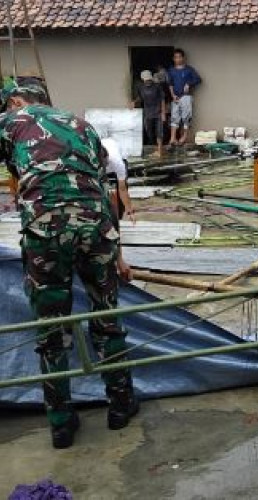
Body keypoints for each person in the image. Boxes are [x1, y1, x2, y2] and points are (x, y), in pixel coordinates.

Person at [0, 82, 139, 449]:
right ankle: (121, 406)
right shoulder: (83, 125)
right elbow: (104, 189)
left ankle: (61, 423)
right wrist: (119, 253)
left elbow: (13, 181)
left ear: (16, 102)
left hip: (46, 229)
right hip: (97, 225)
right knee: (107, 319)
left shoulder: (9, 121)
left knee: (52, 330)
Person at [101, 135, 136, 281]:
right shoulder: (88, 160)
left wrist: (130, 209)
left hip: (115, 157)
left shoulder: (117, 162)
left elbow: (122, 189)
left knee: (115, 208)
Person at [167, 48, 201, 148]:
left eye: (180, 57)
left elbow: (198, 79)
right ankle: (173, 138)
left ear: (183, 58)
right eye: (176, 57)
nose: (178, 59)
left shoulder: (189, 69)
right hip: (175, 97)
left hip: (185, 97)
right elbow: (170, 84)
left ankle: (184, 137)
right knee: (174, 117)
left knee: (186, 117)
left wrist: (188, 84)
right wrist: (172, 95)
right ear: (173, 59)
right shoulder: (171, 70)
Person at [133, 69, 166, 157]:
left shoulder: (157, 86)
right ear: (143, 79)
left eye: (149, 79)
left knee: (159, 130)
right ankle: (155, 148)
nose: (148, 81)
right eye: (146, 79)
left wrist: (163, 113)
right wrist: (134, 102)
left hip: (158, 111)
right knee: (149, 131)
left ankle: (159, 150)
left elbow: (162, 99)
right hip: (148, 112)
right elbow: (140, 97)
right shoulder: (141, 87)